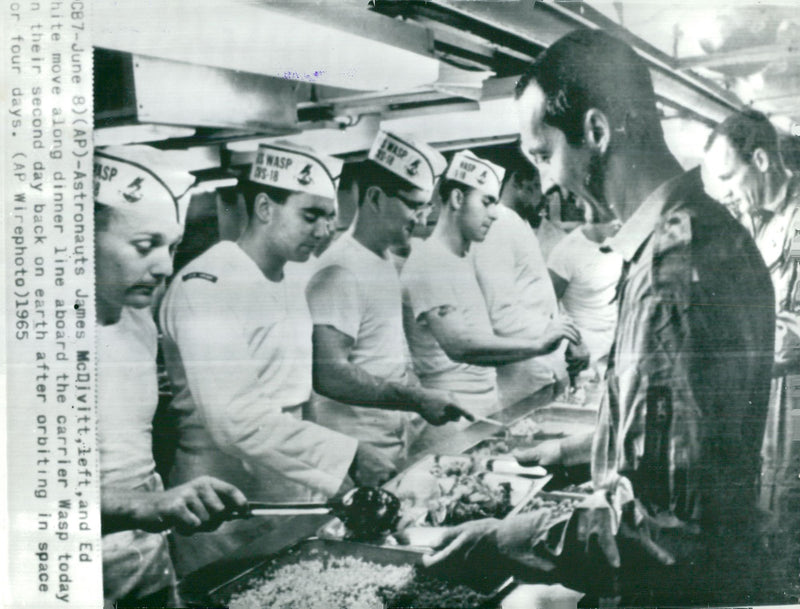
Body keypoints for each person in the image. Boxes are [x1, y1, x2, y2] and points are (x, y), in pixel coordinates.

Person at [423, 30, 775, 606]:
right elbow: (683, 449)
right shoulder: (702, 232)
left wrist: (505, 537)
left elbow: (664, 528)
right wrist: (584, 448)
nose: (544, 183)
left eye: (543, 156)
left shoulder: (672, 269)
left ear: (595, 132)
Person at [159, 142, 367, 575]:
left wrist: (329, 480)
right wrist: (347, 456)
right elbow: (234, 419)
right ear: (265, 207)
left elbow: (294, 395)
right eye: (311, 215)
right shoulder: (209, 284)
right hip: (225, 503)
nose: (324, 229)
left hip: (288, 494)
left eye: (329, 216)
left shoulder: (290, 276)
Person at [94, 148, 248, 607]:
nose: (164, 266)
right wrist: (143, 506)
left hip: (145, 567)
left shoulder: (139, 320)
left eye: (172, 247)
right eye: (145, 245)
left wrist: (157, 506)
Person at [306, 130, 472, 486]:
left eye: (426, 207)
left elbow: (380, 355)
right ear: (375, 197)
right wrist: (415, 398)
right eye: (413, 205)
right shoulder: (340, 270)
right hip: (356, 460)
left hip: (389, 449)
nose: (423, 218)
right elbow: (329, 372)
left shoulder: (382, 259)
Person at [401, 149, 581, 430]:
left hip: (484, 402)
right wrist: (538, 345)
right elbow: (459, 346)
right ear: (458, 199)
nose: (495, 214)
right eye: (486, 203)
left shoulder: (461, 258)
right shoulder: (429, 260)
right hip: (450, 411)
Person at [703, 109, 800, 522]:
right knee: (764, 499)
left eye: (727, 177)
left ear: (760, 161)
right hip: (761, 390)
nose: (724, 192)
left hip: (794, 395)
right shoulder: (748, 221)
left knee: (787, 506)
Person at [472, 162, 575, 409]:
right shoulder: (497, 226)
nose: (545, 199)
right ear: (518, 182)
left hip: (542, 364)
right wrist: (556, 332)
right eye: (540, 188)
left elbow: (534, 296)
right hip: (522, 371)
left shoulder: (519, 223)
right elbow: (500, 313)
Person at [547, 199, 623, 373]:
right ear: (596, 213)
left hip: (615, 346)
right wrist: (572, 342)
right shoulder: (566, 251)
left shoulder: (620, 243)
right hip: (584, 349)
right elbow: (546, 307)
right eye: (613, 217)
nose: (620, 223)